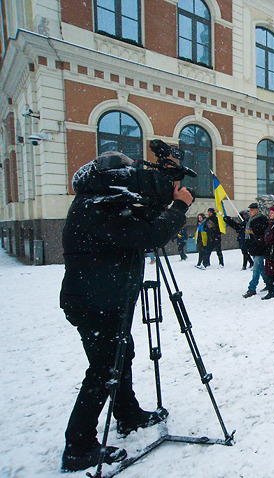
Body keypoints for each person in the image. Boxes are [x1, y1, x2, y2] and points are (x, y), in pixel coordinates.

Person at [59, 152, 193, 472]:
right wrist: (179, 207)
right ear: (110, 178)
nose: (131, 176)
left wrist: (163, 198)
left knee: (121, 354)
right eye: (126, 172)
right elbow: (147, 236)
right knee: (105, 367)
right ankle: (78, 447)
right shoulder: (94, 207)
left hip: (106, 299)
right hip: (94, 303)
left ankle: (128, 415)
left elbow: (142, 224)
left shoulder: (103, 201)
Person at [242, 203, 269, 298]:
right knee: (260, 267)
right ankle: (269, 283)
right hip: (253, 247)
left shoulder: (262, 220)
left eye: (252, 210)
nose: (250, 212)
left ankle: (252, 288)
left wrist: (253, 232)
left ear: (257, 210)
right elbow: (240, 228)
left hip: (259, 248)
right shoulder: (249, 220)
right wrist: (227, 219)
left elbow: (260, 233)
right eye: (249, 210)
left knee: (256, 268)